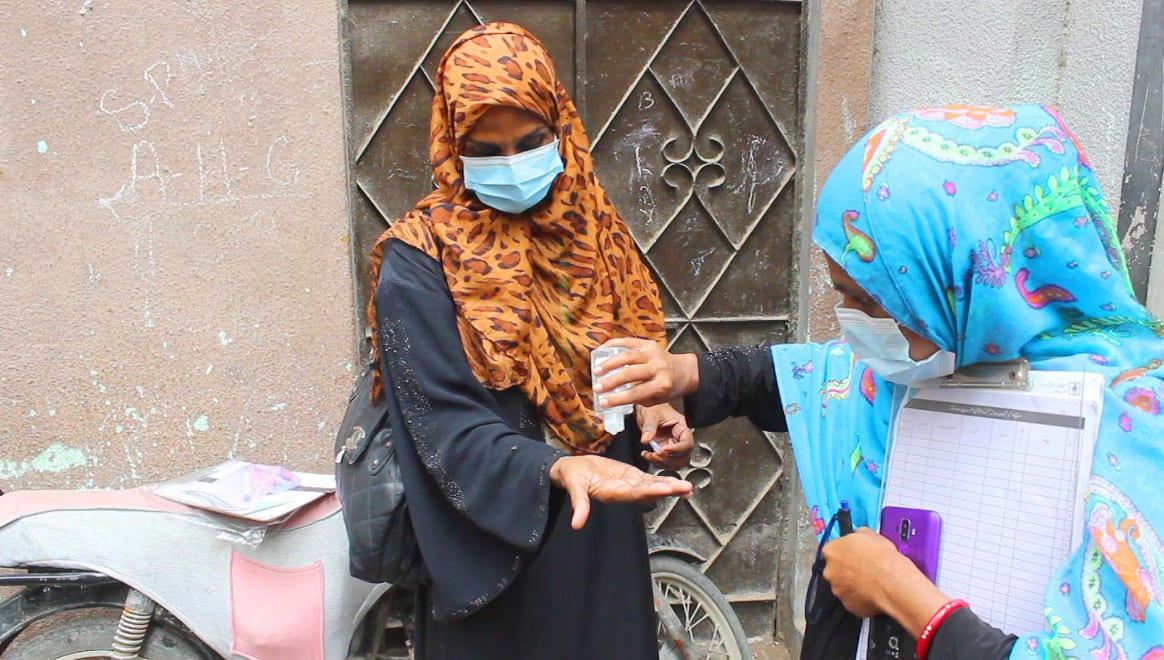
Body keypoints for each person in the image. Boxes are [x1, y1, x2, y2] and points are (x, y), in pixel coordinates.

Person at [594, 104, 1164, 658]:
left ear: (964, 277)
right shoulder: (932, 360)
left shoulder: (1134, 422)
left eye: (868, 299)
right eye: (842, 292)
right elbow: (802, 378)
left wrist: (898, 591)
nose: (851, 321)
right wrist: (682, 373)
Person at [364, 22, 697, 659]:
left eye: (531, 140)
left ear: (560, 128)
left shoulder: (595, 232)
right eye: (485, 149)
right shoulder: (418, 260)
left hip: (601, 543)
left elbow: (637, 349)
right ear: (451, 144)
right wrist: (554, 466)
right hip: (490, 557)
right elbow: (442, 429)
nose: (513, 164)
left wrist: (659, 410)